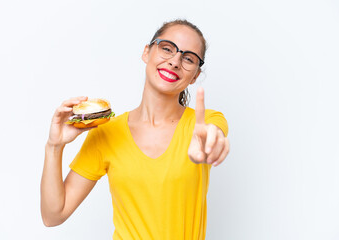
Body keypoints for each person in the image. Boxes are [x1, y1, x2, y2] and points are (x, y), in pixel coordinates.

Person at [41, 19, 230, 239]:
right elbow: (53, 216)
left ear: (195, 75)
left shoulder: (205, 121)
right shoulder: (106, 132)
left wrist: (211, 144)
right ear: (147, 52)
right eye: (167, 48)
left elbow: (214, 135)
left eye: (188, 58)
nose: (175, 61)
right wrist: (54, 146)